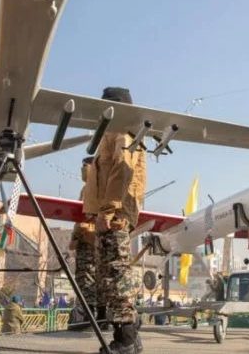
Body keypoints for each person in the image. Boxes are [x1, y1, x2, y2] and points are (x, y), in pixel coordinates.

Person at [93, 87, 146, 354]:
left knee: (116, 276)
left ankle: (126, 340)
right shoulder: (115, 132)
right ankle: (128, 337)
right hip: (113, 213)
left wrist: (107, 210)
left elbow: (121, 171)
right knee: (110, 278)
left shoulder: (122, 132)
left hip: (115, 215)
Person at [69, 156, 100, 326]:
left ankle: (89, 315)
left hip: (91, 240)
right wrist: (75, 236)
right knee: (84, 278)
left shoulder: (97, 188)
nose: (83, 169)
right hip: (84, 238)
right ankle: (88, 314)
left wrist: (85, 231)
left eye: (86, 166)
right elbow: (79, 215)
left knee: (88, 278)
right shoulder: (86, 188)